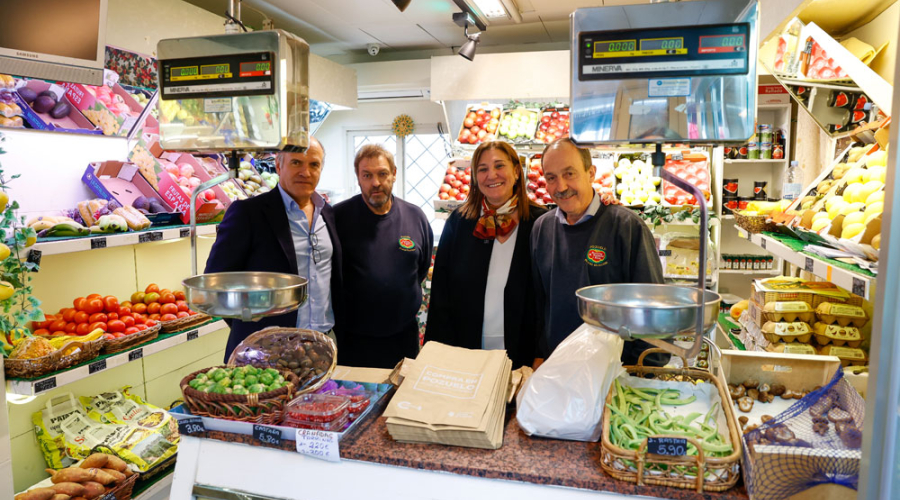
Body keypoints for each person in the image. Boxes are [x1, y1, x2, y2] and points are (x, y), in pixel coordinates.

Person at [530, 138, 665, 366]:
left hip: (614, 371)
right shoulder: (542, 229)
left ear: (591, 173)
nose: (561, 187)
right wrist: (540, 355)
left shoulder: (627, 227)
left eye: (569, 173)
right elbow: (539, 303)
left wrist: (644, 372)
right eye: (551, 178)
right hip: (558, 367)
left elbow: (652, 308)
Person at [205, 137, 342, 360]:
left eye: (314, 164)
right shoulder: (248, 213)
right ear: (279, 165)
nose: (305, 172)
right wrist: (251, 327)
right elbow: (217, 282)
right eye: (296, 162)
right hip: (265, 350)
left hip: (320, 347)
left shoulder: (328, 214)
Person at [425, 141, 546, 368]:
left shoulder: (540, 223)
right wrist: (437, 352)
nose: (491, 175)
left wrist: (543, 351)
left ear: (516, 172)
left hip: (524, 354)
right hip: (466, 352)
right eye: (482, 169)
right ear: (474, 177)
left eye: (499, 166)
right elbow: (442, 294)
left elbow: (548, 297)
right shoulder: (459, 223)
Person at [334, 144, 433, 369]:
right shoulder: (337, 218)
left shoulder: (415, 216)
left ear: (394, 174)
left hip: (403, 338)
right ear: (358, 178)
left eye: (382, 174)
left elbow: (420, 268)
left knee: (401, 401)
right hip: (353, 341)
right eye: (367, 175)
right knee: (356, 401)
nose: (375, 183)